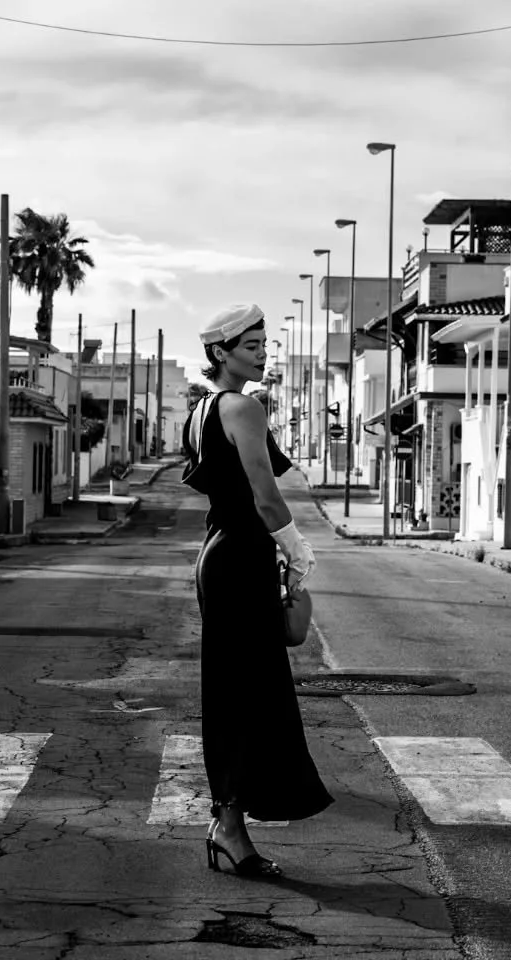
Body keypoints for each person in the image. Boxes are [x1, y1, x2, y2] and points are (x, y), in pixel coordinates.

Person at [181, 303, 333, 878]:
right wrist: (298, 548)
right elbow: (265, 495)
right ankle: (228, 828)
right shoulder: (243, 407)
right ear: (220, 352)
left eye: (265, 344)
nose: (262, 354)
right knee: (249, 693)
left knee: (235, 692)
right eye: (251, 346)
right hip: (239, 557)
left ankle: (229, 825)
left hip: (222, 553)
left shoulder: (200, 411)